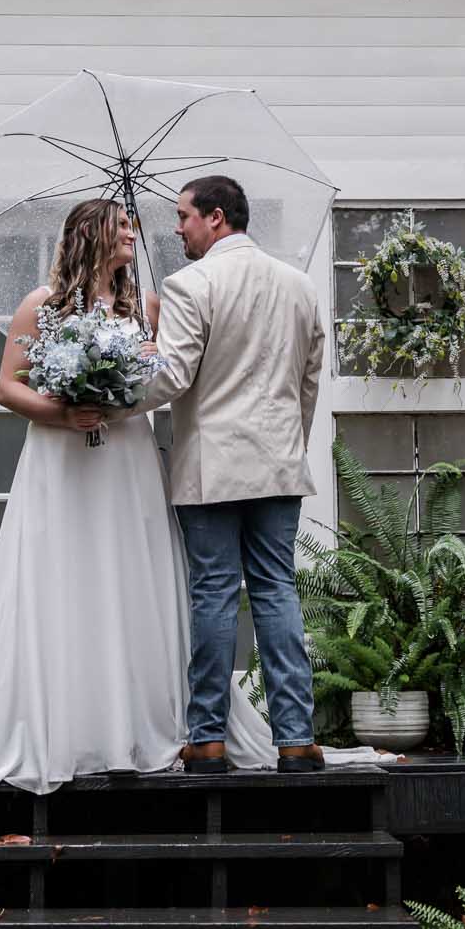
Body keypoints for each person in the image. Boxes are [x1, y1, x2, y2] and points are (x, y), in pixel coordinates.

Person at [0, 195, 328, 795]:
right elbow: (9, 387)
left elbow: (168, 375)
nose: (135, 238)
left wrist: (115, 394)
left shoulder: (152, 304)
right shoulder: (41, 305)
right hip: (65, 456)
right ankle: (269, 734)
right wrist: (65, 413)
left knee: (146, 582)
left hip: (128, 458)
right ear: (90, 234)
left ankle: (177, 728)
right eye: (123, 228)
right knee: (82, 579)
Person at [129, 175, 328, 774]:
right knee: (276, 590)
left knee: (213, 594)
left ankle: (208, 739)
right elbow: (309, 381)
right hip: (278, 463)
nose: (178, 228)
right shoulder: (299, 284)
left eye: (184, 217)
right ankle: (295, 739)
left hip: (211, 468)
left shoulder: (191, 284)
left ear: (216, 218)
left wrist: (117, 390)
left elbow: (173, 378)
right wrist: (289, 444)